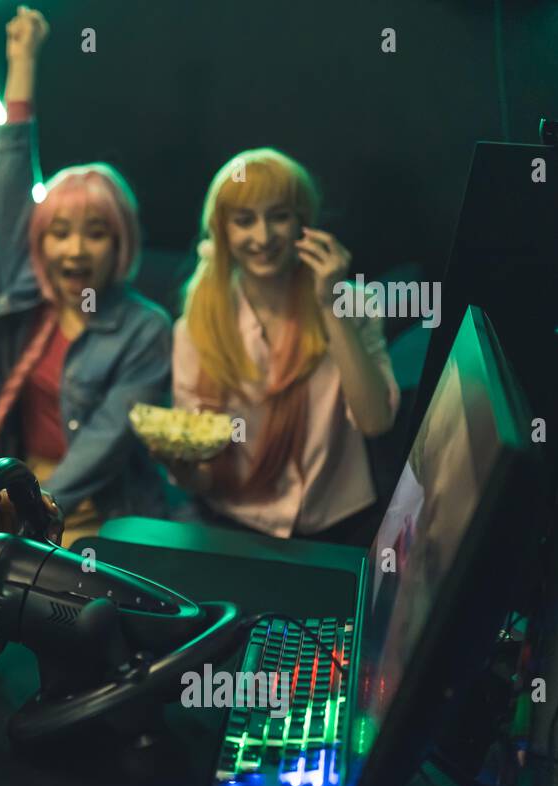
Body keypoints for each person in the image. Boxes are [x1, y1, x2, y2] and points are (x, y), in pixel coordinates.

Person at [0, 6, 173, 548]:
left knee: (24, 595)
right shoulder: (30, 294)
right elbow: (10, 178)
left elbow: (102, 447)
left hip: (96, 502)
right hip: (17, 478)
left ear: (120, 244)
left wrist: (19, 516)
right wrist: (22, 62)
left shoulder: (147, 331)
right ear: (40, 242)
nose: (75, 248)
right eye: (59, 231)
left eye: (95, 232)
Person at [161, 147, 400, 543]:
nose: (263, 237)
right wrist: (182, 467)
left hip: (337, 526)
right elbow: (202, 477)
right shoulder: (195, 327)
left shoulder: (355, 302)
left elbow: (375, 421)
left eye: (279, 216)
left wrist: (330, 305)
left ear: (303, 224)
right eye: (244, 220)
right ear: (222, 231)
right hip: (230, 523)